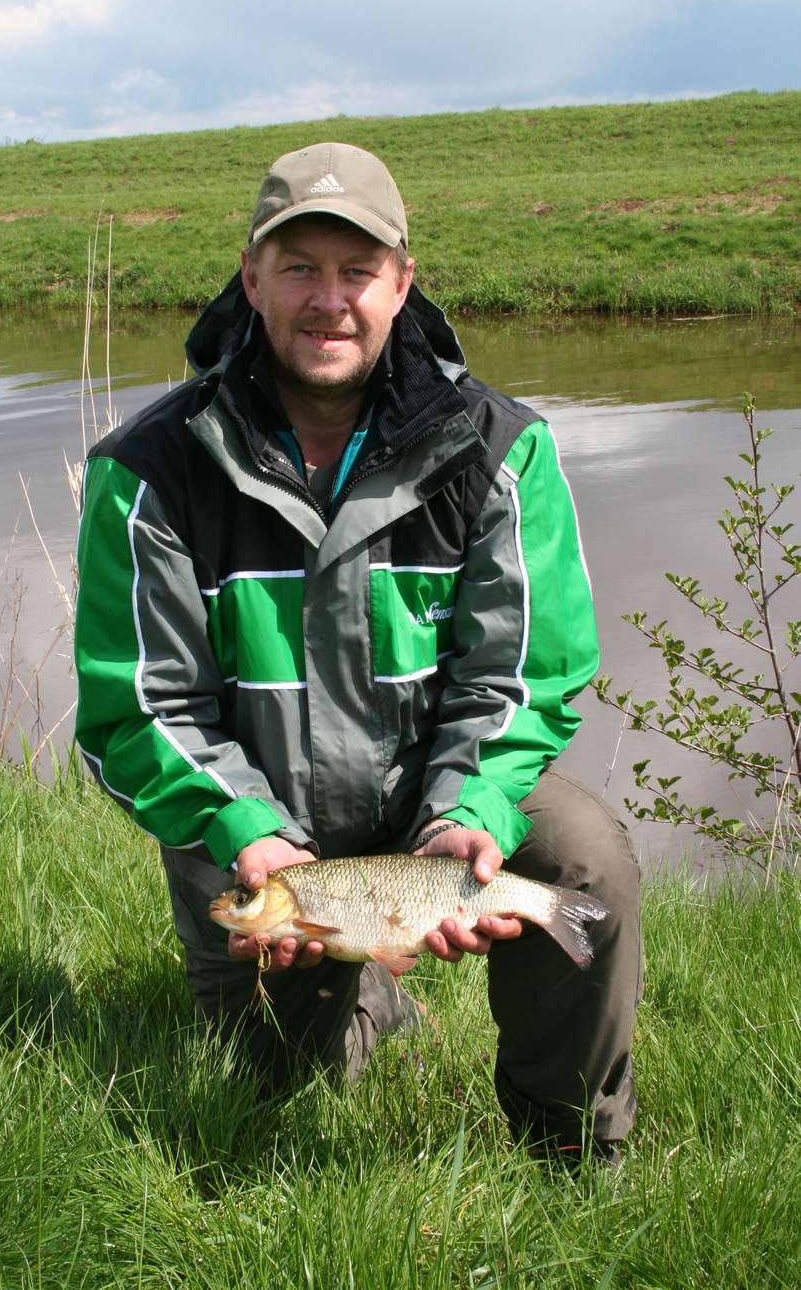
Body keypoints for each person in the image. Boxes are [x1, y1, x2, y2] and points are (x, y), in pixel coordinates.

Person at [74, 142, 641, 1165]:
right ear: (250, 281)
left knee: (581, 855)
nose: (326, 300)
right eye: (297, 268)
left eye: (356, 270)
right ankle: (360, 999)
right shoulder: (148, 469)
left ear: (401, 285)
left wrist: (471, 808)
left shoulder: (499, 448)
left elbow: (523, 675)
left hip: (435, 794)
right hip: (265, 823)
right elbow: (138, 707)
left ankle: (570, 1150)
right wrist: (245, 833)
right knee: (276, 1104)